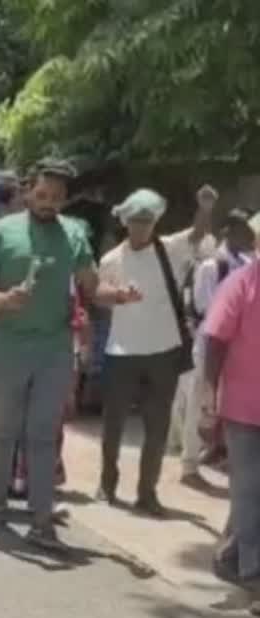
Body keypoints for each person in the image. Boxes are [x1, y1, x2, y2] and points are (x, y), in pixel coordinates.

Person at [0, 159, 125, 549]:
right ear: (26, 192)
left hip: (53, 350)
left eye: (56, 197)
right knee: (3, 429)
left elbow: (92, 287)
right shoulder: (1, 233)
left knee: (41, 434)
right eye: (41, 194)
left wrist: (118, 296)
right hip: (8, 347)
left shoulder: (74, 235)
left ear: (65, 199)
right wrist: (1, 299)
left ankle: (41, 521)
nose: (48, 203)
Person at [97, 187, 214, 515]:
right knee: (113, 424)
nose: (142, 226)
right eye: (136, 220)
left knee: (157, 427)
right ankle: (107, 484)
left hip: (163, 351)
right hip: (121, 351)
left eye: (148, 220)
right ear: (126, 222)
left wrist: (204, 207)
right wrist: (119, 294)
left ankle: (147, 492)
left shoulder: (170, 249)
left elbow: (198, 233)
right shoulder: (112, 259)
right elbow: (97, 293)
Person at [180, 208, 255, 485]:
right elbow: (205, 308)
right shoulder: (213, 265)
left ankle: (215, 452)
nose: (250, 236)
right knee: (201, 403)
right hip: (211, 346)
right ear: (231, 231)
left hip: (239, 352)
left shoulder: (249, 262)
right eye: (245, 230)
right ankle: (189, 466)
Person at [201, 248, 260, 597]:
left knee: (251, 494)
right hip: (244, 408)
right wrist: (209, 401)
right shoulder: (241, 283)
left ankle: (232, 553)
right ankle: (252, 572)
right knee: (250, 489)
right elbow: (215, 341)